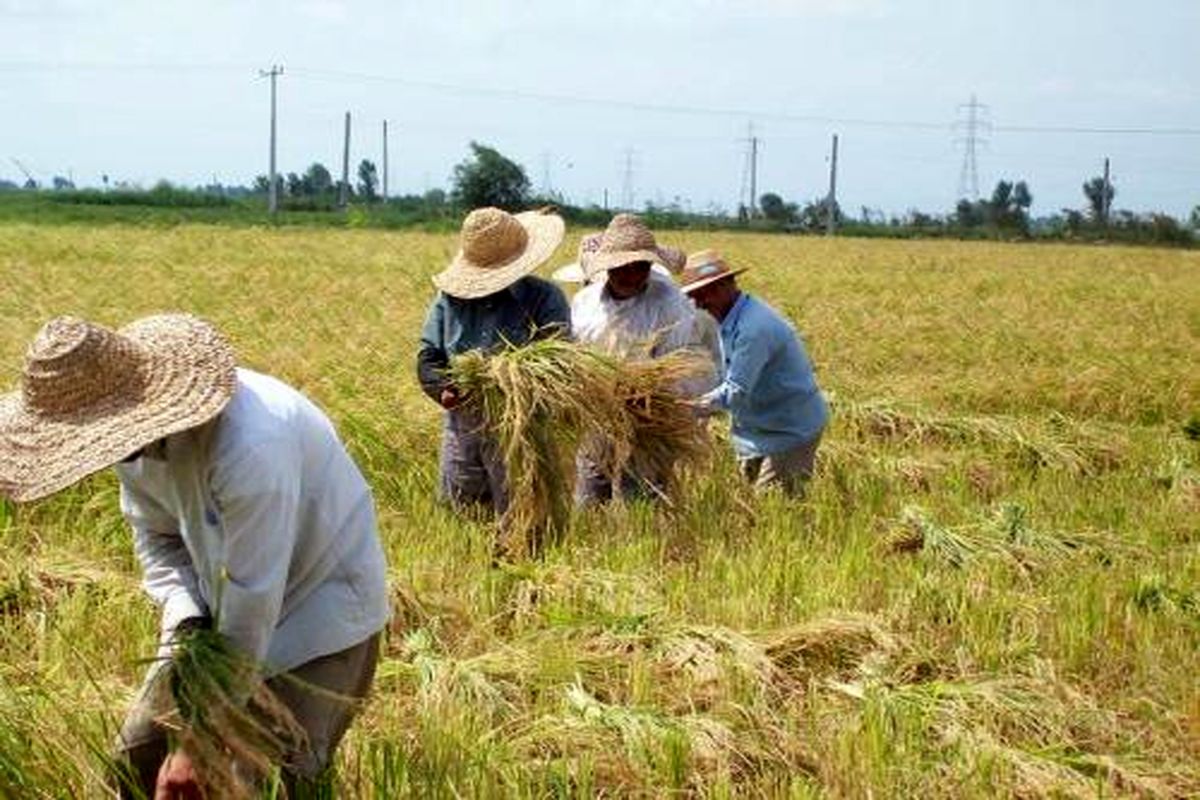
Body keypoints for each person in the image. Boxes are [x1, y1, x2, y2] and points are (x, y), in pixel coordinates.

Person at [0, 313, 390, 798]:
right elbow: (158, 539)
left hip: (317, 617)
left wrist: (197, 742)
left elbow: (252, 604)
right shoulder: (131, 447)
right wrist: (186, 624)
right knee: (137, 758)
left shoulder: (250, 447)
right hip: (214, 618)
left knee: (265, 781)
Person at [417, 206, 571, 519]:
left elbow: (558, 360)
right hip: (464, 424)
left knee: (523, 518)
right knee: (463, 516)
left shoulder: (544, 299)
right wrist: (443, 388)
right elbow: (429, 355)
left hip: (522, 426)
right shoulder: (449, 299)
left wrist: (509, 382)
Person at [569, 213, 715, 503]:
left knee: (639, 502)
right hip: (598, 417)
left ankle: (642, 543)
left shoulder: (670, 305)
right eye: (622, 266)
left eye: (640, 266)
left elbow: (678, 366)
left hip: (649, 421)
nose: (631, 274)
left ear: (651, 265)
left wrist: (645, 394)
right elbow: (575, 355)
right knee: (590, 499)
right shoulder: (585, 304)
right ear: (607, 266)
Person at [680, 249, 829, 496]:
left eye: (711, 290)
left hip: (788, 430)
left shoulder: (753, 328)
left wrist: (683, 408)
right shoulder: (725, 318)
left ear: (730, 284)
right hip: (755, 430)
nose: (702, 300)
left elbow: (735, 391)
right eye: (696, 295)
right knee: (754, 506)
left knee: (774, 511)